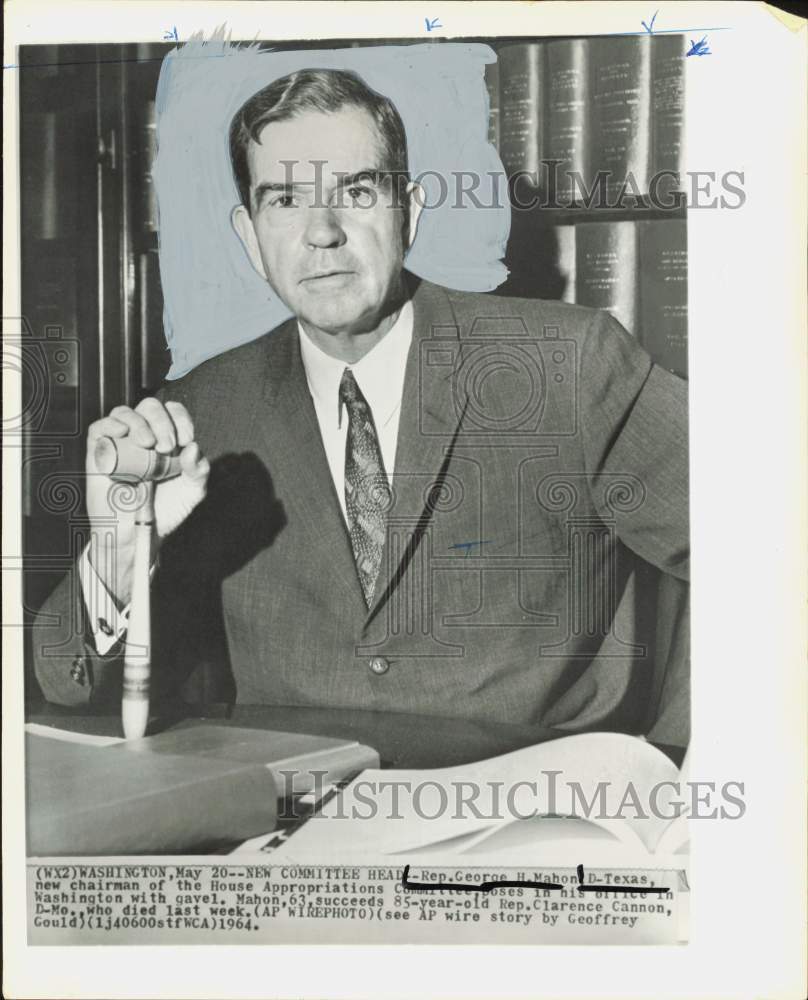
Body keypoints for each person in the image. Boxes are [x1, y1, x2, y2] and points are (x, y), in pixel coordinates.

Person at [32, 68, 690, 744]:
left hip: (536, 819)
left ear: (409, 209)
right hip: (292, 827)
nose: (322, 231)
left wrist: (681, 772)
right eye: (284, 199)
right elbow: (66, 682)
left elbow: (762, 547)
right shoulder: (199, 411)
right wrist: (118, 550)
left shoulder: (569, 363)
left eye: (356, 190)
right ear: (251, 235)